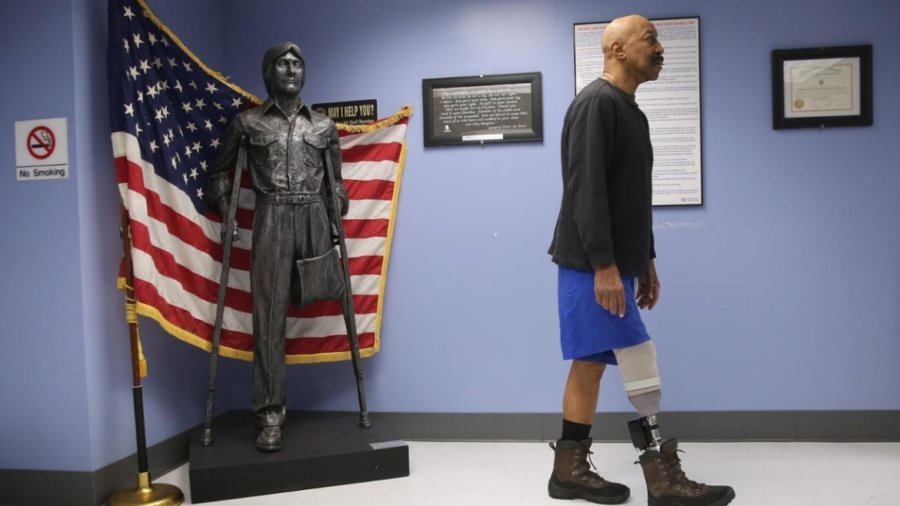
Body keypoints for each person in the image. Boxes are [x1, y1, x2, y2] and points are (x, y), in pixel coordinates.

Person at [548, 15, 735, 505]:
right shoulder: (596, 104)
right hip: (591, 263)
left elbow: (632, 198)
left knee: (590, 363)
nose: (660, 47)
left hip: (613, 261)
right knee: (637, 355)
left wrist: (645, 261)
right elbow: (586, 192)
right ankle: (661, 479)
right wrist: (606, 267)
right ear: (616, 48)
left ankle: (567, 473)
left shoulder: (631, 111)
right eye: (649, 38)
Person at [206, 42, 349, 452]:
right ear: (268, 72)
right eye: (282, 64)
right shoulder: (247, 124)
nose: (291, 69)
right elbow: (218, 177)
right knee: (268, 319)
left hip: (314, 220)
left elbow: (335, 181)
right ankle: (269, 415)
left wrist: (338, 205)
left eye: (297, 63)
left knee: (322, 294)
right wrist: (225, 211)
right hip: (270, 219)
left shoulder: (322, 127)